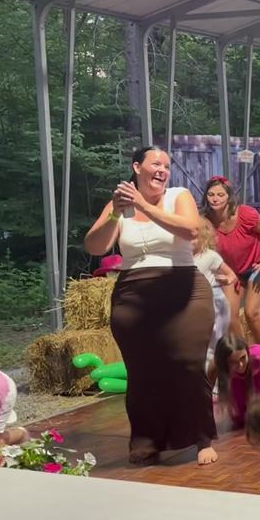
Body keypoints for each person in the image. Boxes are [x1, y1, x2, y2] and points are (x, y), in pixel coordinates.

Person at [84, 146, 218, 465]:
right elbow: (95, 246)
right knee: (143, 371)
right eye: (156, 164)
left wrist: (143, 204)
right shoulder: (119, 205)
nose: (163, 170)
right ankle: (146, 440)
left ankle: (202, 438)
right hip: (134, 293)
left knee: (187, 364)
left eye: (167, 166)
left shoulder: (178, 196)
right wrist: (116, 213)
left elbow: (190, 229)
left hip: (183, 288)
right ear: (137, 167)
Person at [203, 175, 260, 346]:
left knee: (252, 313)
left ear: (229, 197)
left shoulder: (246, 213)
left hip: (259, 266)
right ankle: (243, 355)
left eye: (220, 195)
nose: (215, 199)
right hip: (232, 272)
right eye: (211, 194)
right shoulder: (205, 221)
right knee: (229, 316)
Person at [208, 334, 260, 428]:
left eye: (243, 358)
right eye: (233, 362)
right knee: (240, 418)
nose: (240, 365)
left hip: (257, 379)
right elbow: (206, 393)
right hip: (236, 381)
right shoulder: (216, 366)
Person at [194, 220, 238, 370]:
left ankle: (216, 376)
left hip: (214, 298)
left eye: (195, 237)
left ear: (203, 237)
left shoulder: (210, 256)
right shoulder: (182, 257)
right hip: (196, 300)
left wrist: (227, 279)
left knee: (215, 339)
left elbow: (231, 274)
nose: (190, 241)